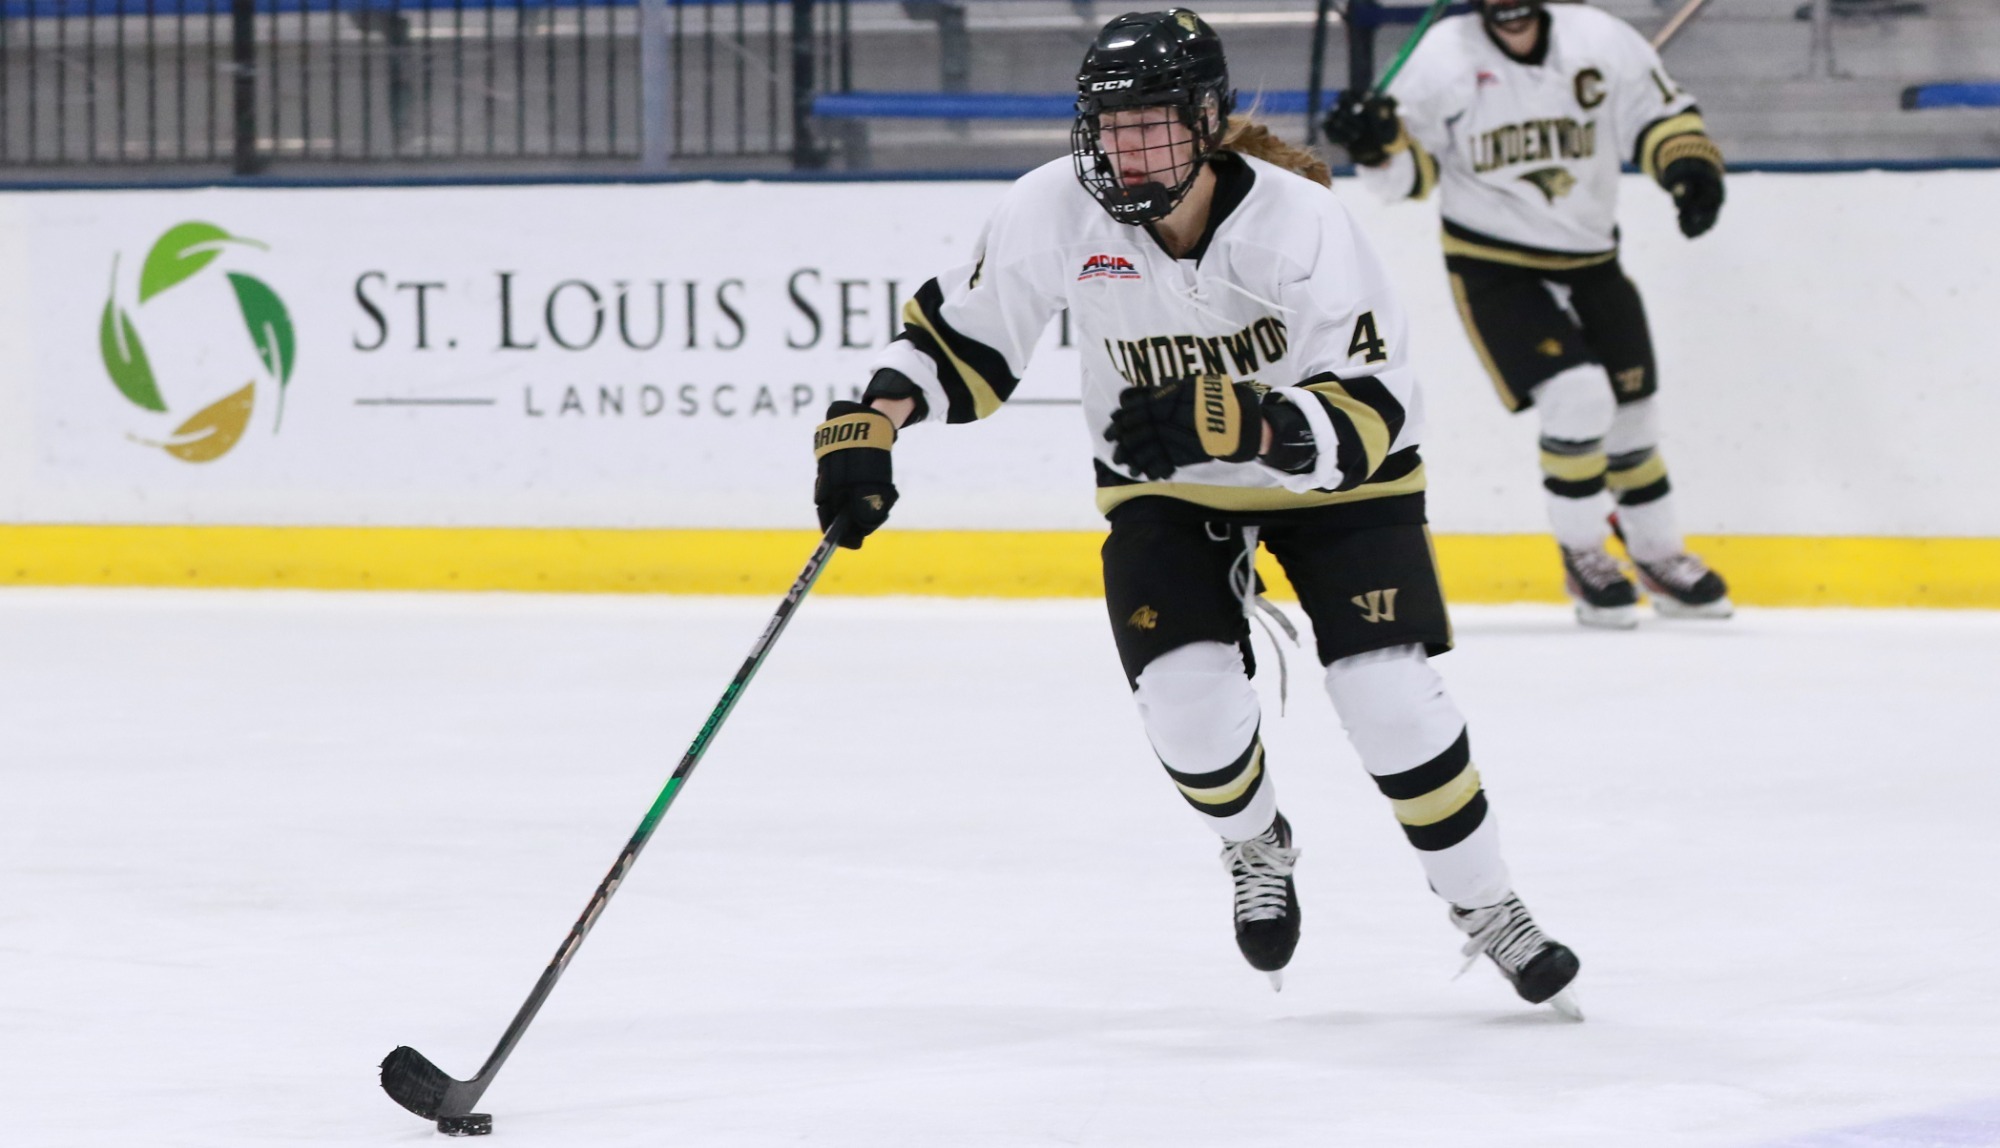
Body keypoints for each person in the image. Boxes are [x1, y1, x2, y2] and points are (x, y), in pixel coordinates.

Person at [810, 8, 1580, 1015]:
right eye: (1107, 124)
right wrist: (875, 419)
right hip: (1163, 489)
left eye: (1151, 123)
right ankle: (1253, 841)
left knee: (1389, 699)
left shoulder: (1303, 222)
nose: (1124, 147)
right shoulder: (1050, 211)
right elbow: (960, 338)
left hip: (1339, 485)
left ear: (1207, 121)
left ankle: (1488, 906)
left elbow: (1375, 404)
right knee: (1185, 702)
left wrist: (1253, 428)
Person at [1323, 0, 1732, 628]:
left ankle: (1657, 554)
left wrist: (1688, 167)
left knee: (1634, 415)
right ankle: (1584, 551)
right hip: (1494, 266)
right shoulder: (1440, 56)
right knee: (1577, 396)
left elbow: (1661, 114)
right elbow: (1408, 177)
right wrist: (1376, 146)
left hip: (1593, 260)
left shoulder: (1598, 38)